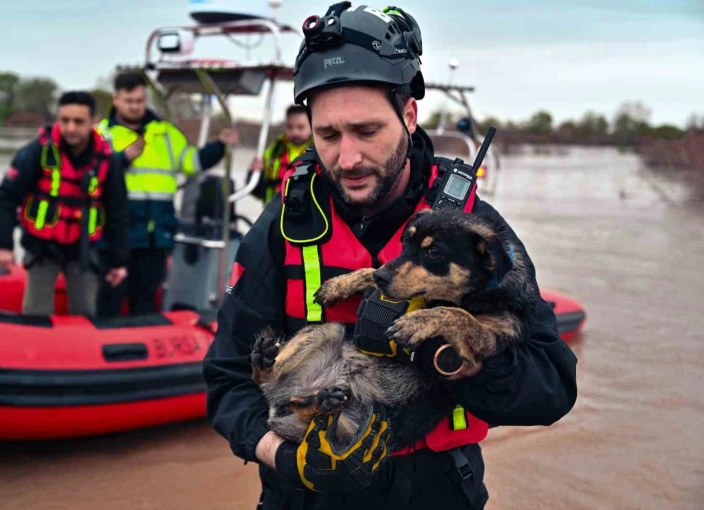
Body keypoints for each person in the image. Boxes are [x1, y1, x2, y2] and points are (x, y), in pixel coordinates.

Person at [202, 4, 578, 510]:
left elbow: (552, 389)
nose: (348, 158)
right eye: (328, 136)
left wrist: (457, 357)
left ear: (408, 115)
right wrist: (286, 459)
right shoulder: (281, 226)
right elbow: (226, 380)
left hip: (435, 490)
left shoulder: (473, 231)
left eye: (367, 131)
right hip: (304, 495)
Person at [96, 71, 240, 316]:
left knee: (146, 299)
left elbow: (192, 162)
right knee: (109, 298)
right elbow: (91, 175)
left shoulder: (166, 133)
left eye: (140, 100)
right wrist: (123, 159)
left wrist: (220, 145)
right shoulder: (102, 135)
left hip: (155, 235)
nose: (134, 106)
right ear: (116, 100)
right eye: (129, 101)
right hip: (116, 234)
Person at [0, 91, 128, 317]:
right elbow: (6, 197)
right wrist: (3, 245)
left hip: (83, 249)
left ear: (94, 122)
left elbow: (117, 212)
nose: (71, 128)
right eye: (64, 120)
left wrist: (118, 261)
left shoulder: (107, 161)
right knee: (36, 313)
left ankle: (81, 349)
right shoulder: (36, 152)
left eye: (78, 121)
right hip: (42, 247)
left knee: (85, 311)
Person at [250, 104, 313, 205]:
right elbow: (255, 187)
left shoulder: (318, 152)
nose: (295, 132)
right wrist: (254, 172)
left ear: (311, 126)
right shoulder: (274, 150)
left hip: (305, 214)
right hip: (272, 211)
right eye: (290, 127)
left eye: (300, 127)